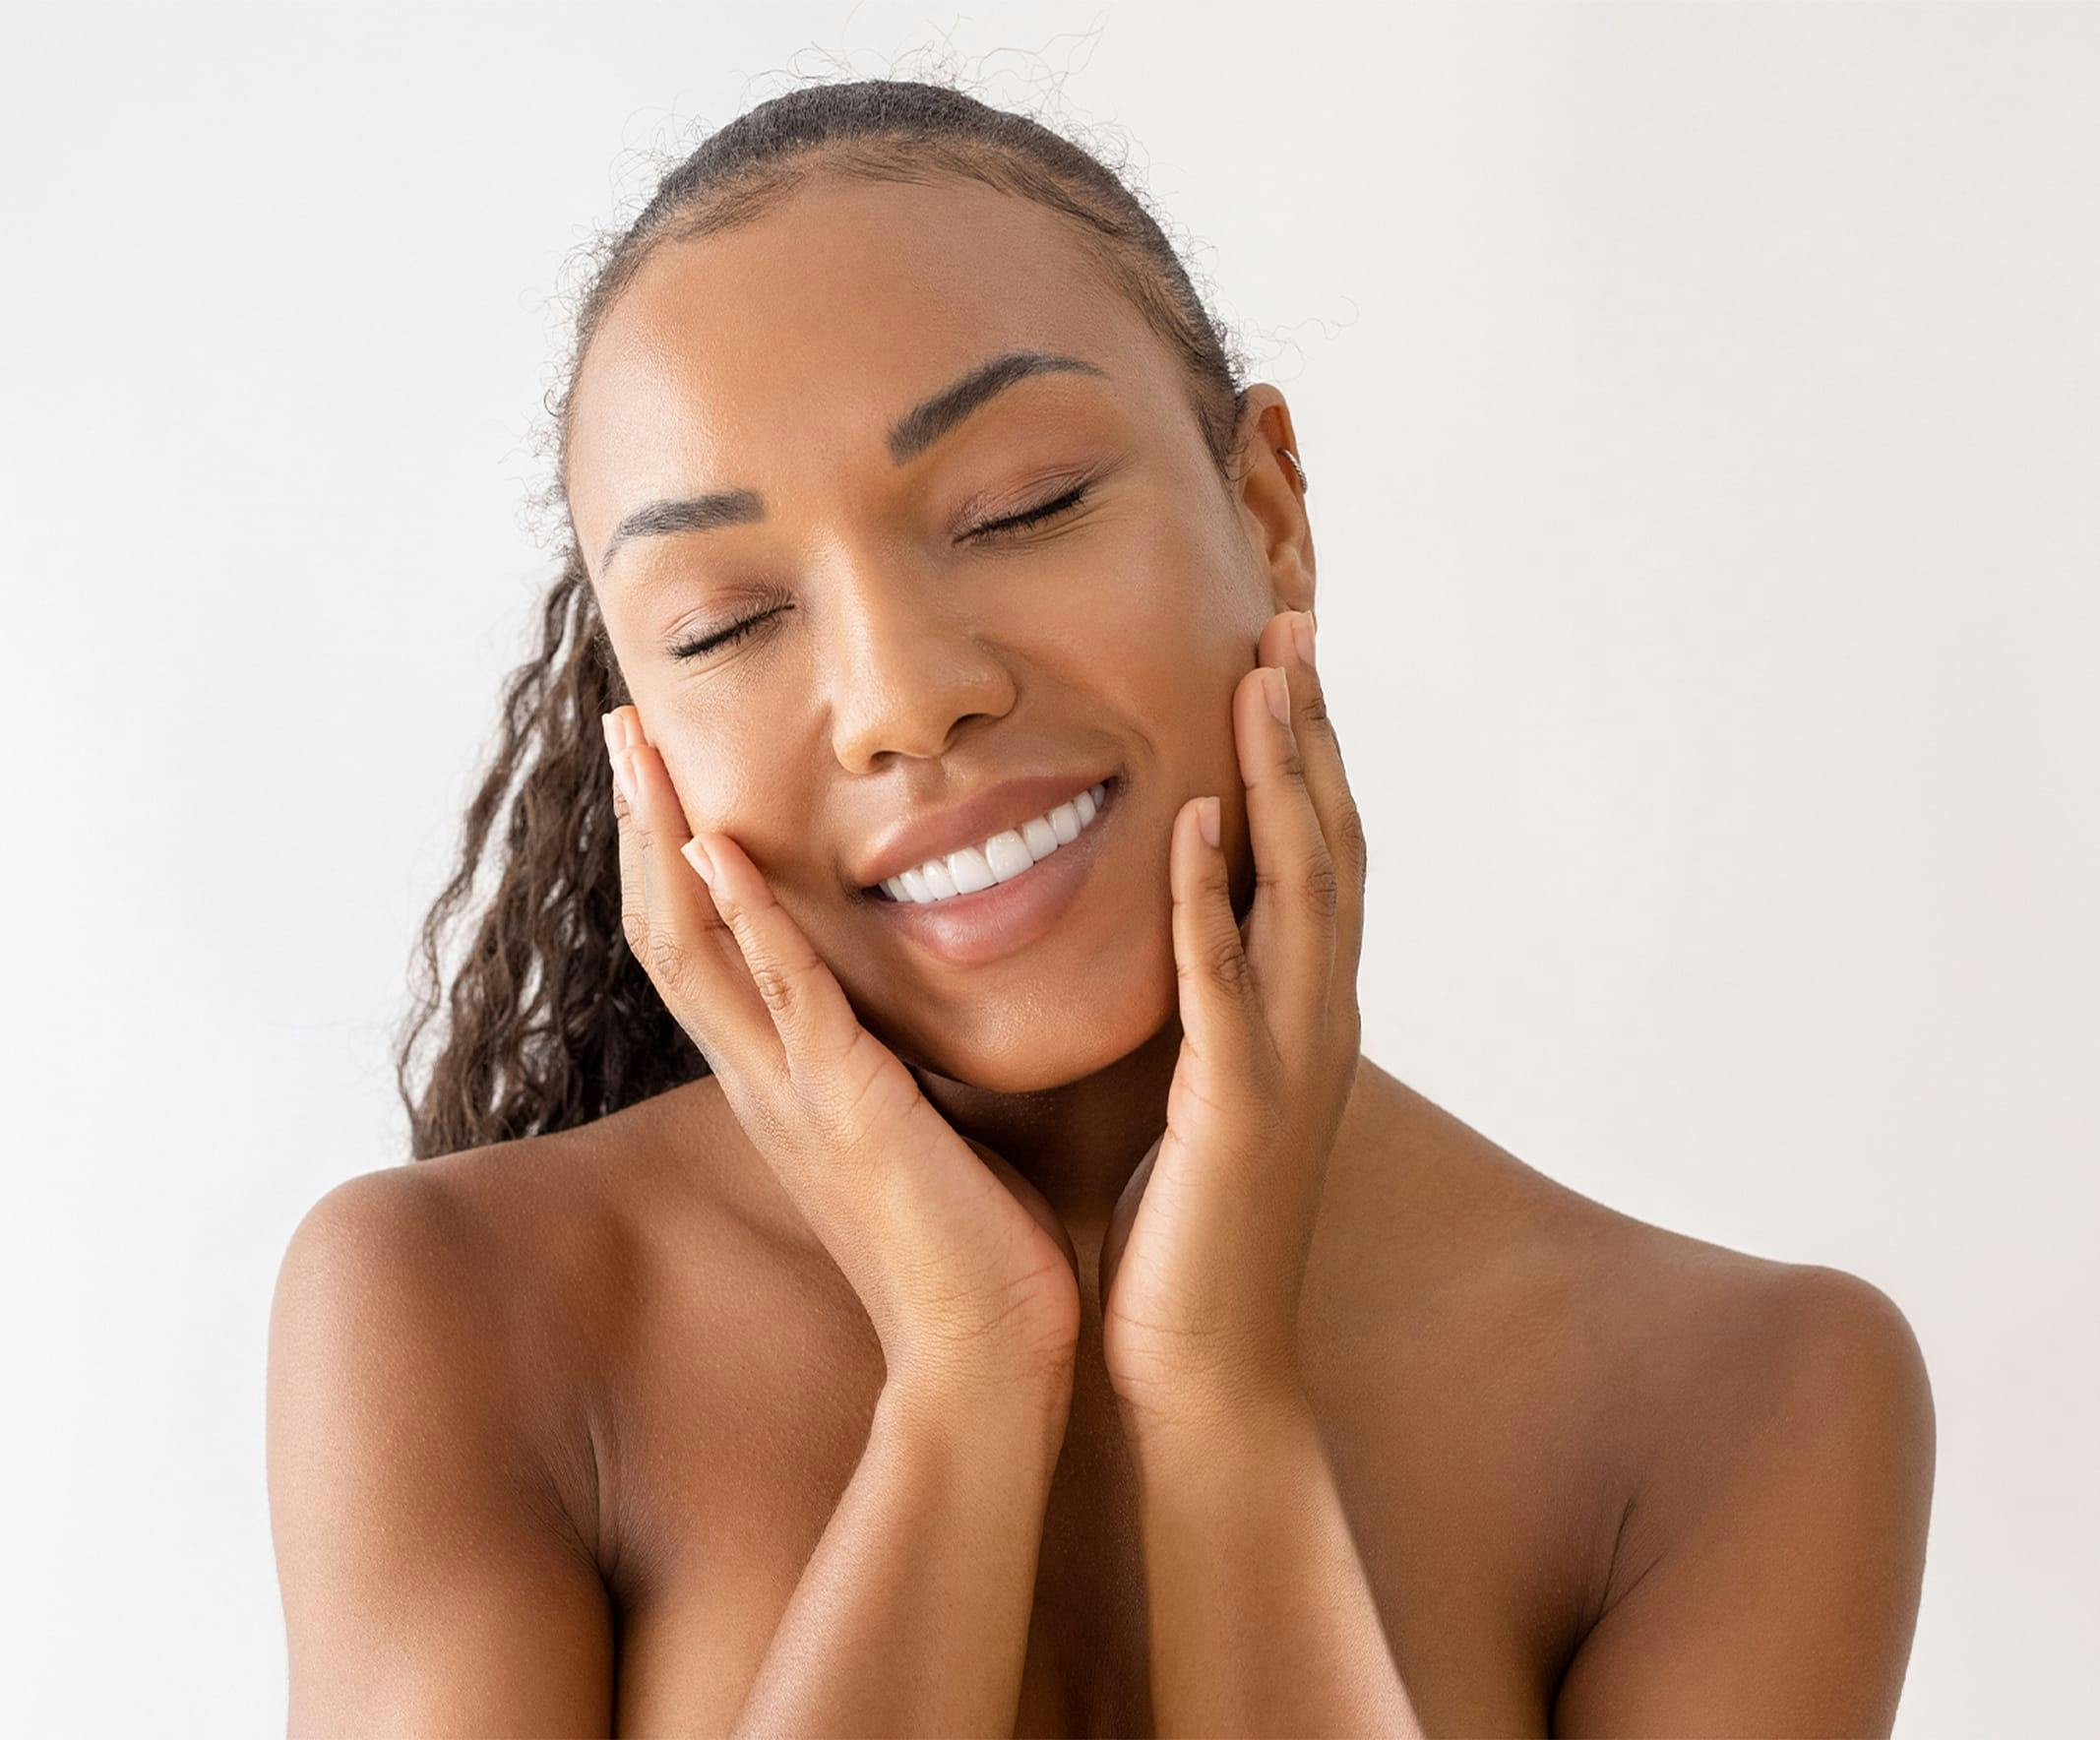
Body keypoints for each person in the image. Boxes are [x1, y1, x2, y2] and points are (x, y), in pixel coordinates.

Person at [265, 76, 1936, 1737]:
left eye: (1022, 509)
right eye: (723, 625)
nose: (901, 697)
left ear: (1267, 516)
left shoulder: (1739, 1396)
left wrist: (1218, 1395)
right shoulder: (451, 1312)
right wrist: (965, 1369)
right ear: (642, 743)